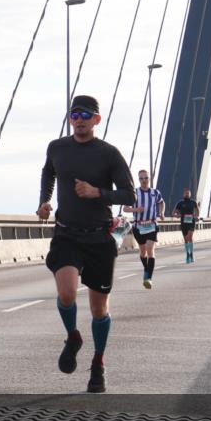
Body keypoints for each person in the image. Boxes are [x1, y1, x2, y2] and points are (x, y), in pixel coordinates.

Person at [38, 95, 135, 393]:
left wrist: (98, 193)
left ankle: (98, 362)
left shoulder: (109, 154)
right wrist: (44, 201)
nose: (79, 120)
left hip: (99, 237)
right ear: (70, 118)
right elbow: (48, 172)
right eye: (74, 114)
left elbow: (129, 195)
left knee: (99, 309)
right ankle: (73, 337)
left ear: (97, 120)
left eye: (86, 115)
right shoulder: (57, 147)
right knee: (67, 293)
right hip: (67, 233)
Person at [124, 170, 164, 288]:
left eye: (146, 178)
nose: (144, 180)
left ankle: (148, 278)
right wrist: (136, 210)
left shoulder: (155, 192)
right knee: (143, 252)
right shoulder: (135, 193)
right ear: (139, 180)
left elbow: (162, 202)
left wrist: (161, 212)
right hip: (139, 226)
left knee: (150, 250)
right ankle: (146, 269)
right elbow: (125, 208)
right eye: (141, 178)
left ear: (149, 178)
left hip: (152, 225)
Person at [171, 187, 200, 264]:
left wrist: (197, 216)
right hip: (183, 223)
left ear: (190, 194)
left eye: (188, 193)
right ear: (183, 194)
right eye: (185, 193)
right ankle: (187, 254)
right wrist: (177, 215)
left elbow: (197, 210)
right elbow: (173, 213)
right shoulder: (180, 203)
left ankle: (191, 255)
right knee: (186, 239)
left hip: (191, 222)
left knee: (190, 237)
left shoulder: (193, 202)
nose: (187, 194)